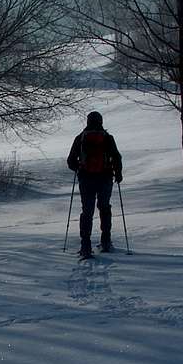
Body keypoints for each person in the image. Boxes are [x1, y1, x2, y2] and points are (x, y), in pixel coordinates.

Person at [67, 111, 123, 259]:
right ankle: (105, 241)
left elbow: (70, 161)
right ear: (101, 121)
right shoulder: (107, 138)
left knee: (87, 211)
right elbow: (116, 157)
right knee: (104, 207)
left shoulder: (80, 138)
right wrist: (118, 173)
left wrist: (78, 167)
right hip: (105, 178)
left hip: (86, 179)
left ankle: (85, 246)